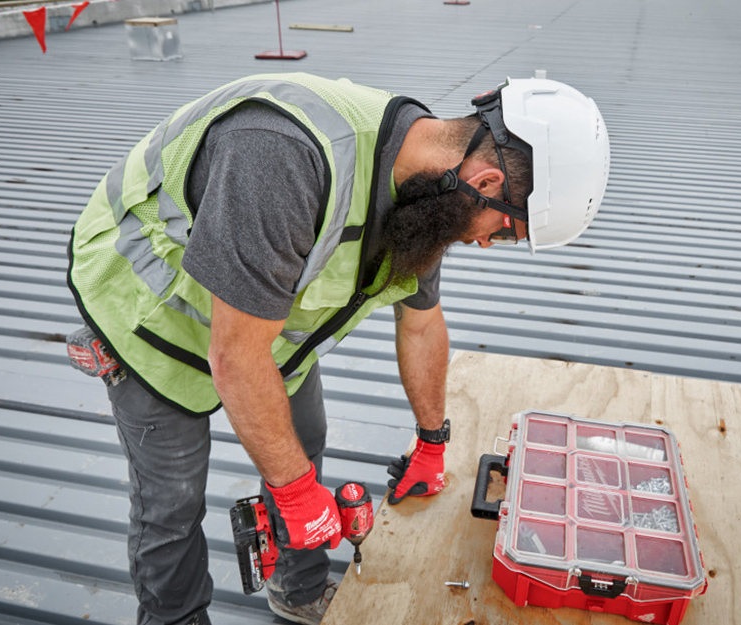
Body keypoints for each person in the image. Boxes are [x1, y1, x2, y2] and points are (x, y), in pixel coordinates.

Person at [66, 72, 609, 625]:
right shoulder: (283, 159)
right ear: (488, 181)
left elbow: (421, 324)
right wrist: (296, 491)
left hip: (258, 330)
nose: (487, 242)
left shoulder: (426, 191)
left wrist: (431, 442)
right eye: (506, 231)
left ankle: (297, 590)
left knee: (305, 438)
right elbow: (236, 359)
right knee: (173, 501)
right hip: (148, 313)